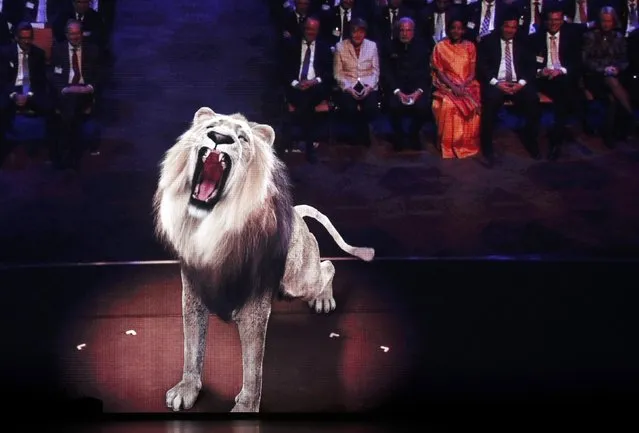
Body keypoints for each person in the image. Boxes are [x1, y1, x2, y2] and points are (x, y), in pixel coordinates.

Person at [477, 9, 541, 161]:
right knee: (491, 102)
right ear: (500, 26)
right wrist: (497, 83)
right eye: (507, 27)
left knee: (533, 100)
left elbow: (531, 66)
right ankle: (487, 144)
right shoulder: (488, 41)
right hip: (496, 83)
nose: (510, 30)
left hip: (517, 83)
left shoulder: (524, 41)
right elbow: (481, 67)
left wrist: (521, 84)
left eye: (513, 27)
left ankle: (531, 140)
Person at [582, 6, 636, 147]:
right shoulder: (590, 36)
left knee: (613, 97)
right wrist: (604, 68)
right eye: (603, 21)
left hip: (615, 75)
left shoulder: (618, 37)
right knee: (612, 85)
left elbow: (624, 59)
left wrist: (617, 68)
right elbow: (586, 60)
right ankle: (632, 118)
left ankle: (611, 134)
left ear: (614, 22)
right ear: (599, 21)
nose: (606, 24)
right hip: (594, 76)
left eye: (609, 21)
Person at [430, 15, 481, 159]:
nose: (456, 31)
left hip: (467, 84)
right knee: (448, 104)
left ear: (464, 30)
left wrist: (463, 85)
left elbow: (472, 72)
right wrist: (453, 86)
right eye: (453, 28)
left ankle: (464, 145)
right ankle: (448, 145)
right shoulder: (440, 47)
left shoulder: (470, 46)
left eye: (459, 29)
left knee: (472, 103)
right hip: (447, 85)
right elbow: (439, 72)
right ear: (448, 29)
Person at [382, 17, 430, 151]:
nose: (405, 33)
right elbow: (386, 72)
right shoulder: (389, 46)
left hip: (416, 89)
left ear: (413, 32)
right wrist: (397, 91)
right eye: (402, 30)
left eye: (408, 30)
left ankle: (413, 134)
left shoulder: (422, 47)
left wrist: (417, 92)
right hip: (397, 89)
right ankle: (399, 135)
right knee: (392, 105)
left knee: (423, 107)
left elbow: (426, 72)